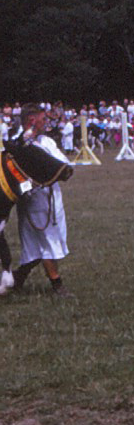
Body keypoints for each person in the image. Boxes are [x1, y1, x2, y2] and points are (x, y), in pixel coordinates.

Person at [9, 105, 73, 297]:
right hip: (34, 201)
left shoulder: (46, 141)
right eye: (43, 119)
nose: (47, 123)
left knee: (38, 245)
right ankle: (57, 285)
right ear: (32, 121)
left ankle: (16, 279)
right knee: (47, 241)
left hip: (52, 198)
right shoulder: (16, 145)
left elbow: (64, 163)